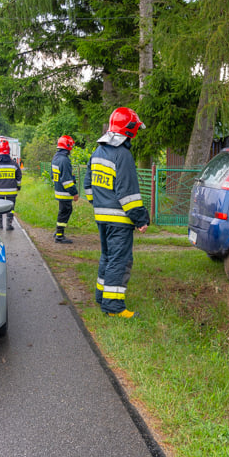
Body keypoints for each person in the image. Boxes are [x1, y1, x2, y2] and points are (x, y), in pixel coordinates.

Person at [83, 107, 150, 319]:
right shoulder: (123, 155)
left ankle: (102, 296)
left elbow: (88, 186)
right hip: (119, 220)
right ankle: (113, 307)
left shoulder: (98, 152)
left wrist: (99, 205)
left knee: (107, 258)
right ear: (130, 130)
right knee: (119, 261)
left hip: (101, 217)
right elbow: (127, 193)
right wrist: (140, 219)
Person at [0, 141, 22, 230]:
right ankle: (9, 225)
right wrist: (18, 186)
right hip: (12, 191)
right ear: (8, 152)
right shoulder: (14, 164)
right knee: (11, 207)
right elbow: (19, 177)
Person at [52, 135, 80, 243]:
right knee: (65, 212)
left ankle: (58, 232)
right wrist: (74, 193)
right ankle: (59, 235)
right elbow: (67, 181)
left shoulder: (56, 158)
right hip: (64, 192)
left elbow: (52, 175)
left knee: (63, 211)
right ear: (68, 146)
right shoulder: (64, 160)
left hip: (58, 190)